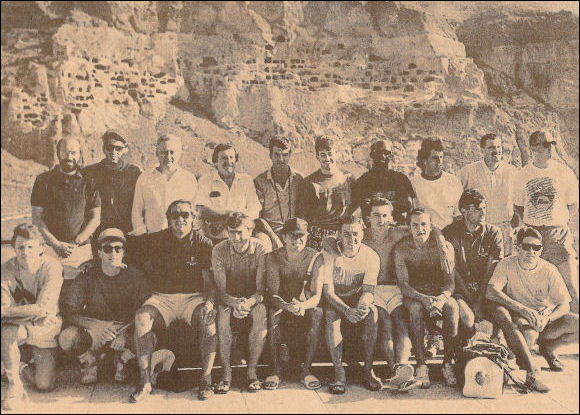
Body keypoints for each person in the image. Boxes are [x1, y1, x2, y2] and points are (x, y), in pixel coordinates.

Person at [128, 200, 216, 402]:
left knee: (209, 323)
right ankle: (145, 382)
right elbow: (130, 260)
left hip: (192, 297)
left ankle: (206, 380)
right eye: (175, 215)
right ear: (168, 219)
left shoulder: (203, 243)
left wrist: (209, 302)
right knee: (142, 319)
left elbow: (208, 282)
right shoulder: (155, 240)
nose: (180, 219)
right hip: (162, 297)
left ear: (193, 219)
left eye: (185, 215)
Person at [487, 227, 579, 392]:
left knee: (576, 323)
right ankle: (519, 367)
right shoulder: (507, 263)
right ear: (517, 247)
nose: (531, 251)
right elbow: (491, 291)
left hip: (543, 318)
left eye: (536, 248)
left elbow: (565, 304)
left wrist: (548, 318)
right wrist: (522, 309)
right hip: (520, 317)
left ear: (541, 250)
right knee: (529, 334)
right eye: (526, 246)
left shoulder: (549, 269)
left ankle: (547, 347)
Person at [58, 228, 150, 385]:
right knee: (67, 338)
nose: (112, 253)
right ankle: (90, 362)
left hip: (124, 330)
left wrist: (125, 332)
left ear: (123, 253)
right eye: (107, 248)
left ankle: (122, 360)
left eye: (117, 248)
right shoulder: (87, 275)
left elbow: (145, 310)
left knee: (149, 337)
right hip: (96, 331)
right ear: (99, 252)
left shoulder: (135, 276)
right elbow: (69, 312)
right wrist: (96, 326)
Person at [513, 130, 579, 313]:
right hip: (533, 237)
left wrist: (560, 222)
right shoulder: (523, 174)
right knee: (536, 291)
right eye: (542, 147)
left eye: (550, 146)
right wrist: (533, 224)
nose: (548, 151)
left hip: (557, 235)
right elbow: (518, 206)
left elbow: (573, 204)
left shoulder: (564, 172)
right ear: (533, 149)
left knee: (571, 287)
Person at [393, 208, 459, 388]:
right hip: (414, 294)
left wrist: (442, 298)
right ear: (409, 227)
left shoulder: (444, 248)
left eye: (424, 224)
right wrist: (423, 298)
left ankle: (447, 363)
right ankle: (421, 365)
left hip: (438, 292)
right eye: (415, 225)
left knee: (452, 307)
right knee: (415, 309)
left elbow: (450, 283)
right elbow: (403, 285)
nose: (420, 229)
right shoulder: (402, 249)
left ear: (431, 226)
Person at [1, 224, 63, 410]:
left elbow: (44, 308)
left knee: (44, 385)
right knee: (9, 333)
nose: (25, 252)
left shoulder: (52, 266)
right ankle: (14, 386)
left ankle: (15, 366)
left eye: (30, 247)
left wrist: (8, 314)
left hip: (46, 325)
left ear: (41, 248)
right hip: (21, 325)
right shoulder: (6, 269)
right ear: (14, 248)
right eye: (20, 247)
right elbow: (3, 307)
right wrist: (33, 313)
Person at [264, 218, 325, 391]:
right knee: (272, 314)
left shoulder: (315, 257)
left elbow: (316, 295)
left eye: (301, 236)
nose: (297, 240)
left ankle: (306, 370)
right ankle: (276, 370)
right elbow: (273, 293)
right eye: (293, 235)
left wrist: (302, 306)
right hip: (281, 304)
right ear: (284, 237)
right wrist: (287, 306)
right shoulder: (273, 257)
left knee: (318, 313)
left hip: (303, 304)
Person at [322, 216, 381, 394]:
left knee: (372, 313)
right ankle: (339, 372)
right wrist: (347, 310)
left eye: (355, 234)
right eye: (346, 234)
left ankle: (368, 369)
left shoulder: (371, 256)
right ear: (339, 236)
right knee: (331, 316)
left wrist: (362, 306)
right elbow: (328, 292)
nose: (351, 239)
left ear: (362, 234)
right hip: (336, 301)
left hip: (357, 299)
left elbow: (369, 290)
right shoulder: (329, 253)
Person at [212, 213, 268, 394]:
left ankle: (252, 371)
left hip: (252, 299)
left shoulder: (260, 249)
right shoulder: (219, 249)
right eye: (231, 232)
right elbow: (220, 290)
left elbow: (261, 289)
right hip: (229, 299)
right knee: (223, 315)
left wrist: (247, 303)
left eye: (239, 233)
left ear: (250, 230)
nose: (235, 238)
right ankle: (226, 373)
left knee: (260, 314)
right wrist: (235, 302)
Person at [31, 137, 101, 278]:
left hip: (80, 251)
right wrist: (55, 244)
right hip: (50, 250)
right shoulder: (43, 180)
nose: (69, 157)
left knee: (79, 295)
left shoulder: (89, 180)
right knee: (51, 292)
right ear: (58, 153)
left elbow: (96, 218)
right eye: (65, 152)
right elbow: (37, 217)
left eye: (73, 153)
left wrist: (77, 241)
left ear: (79, 154)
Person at [442, 189, 503, 344]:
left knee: (499, 313)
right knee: (467, 318)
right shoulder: (450, 232)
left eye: (484, 208)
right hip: (460, 290)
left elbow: (492, 270)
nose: (482, 213)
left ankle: (497, 343)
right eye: (476, 209)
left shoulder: (494, 233)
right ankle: (463, 347)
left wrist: (479, 300)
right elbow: (452, 270)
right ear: (463, 211)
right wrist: (469, 298)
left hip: (485, 289)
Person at [458, 134, 519, 256]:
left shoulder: (512, 172)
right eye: (492, 147)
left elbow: (519, 200)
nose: (497, 151)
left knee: (503, 265)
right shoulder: (468, 171)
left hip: (504, 231)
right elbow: (457, 199)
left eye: (499, 147)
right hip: (479, 230)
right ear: (482, 150)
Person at [197, 143, 264, 246]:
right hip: (214, 237)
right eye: (224, 158)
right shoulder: (205, 181)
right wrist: (229, 214)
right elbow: (202, 210)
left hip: (242, 236)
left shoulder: (246, 180)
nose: (229, 162)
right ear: (215, 162)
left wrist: (236, 220)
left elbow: (254, 208)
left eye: (231, 157)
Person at [131, 134, 197, 236]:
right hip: (153, 239)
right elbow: (136, 212)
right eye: (164, 152)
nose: (168, 156)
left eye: (172, 152)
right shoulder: (144, 178)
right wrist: (143, 236)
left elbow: (195, 212)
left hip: (181, 239)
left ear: (179, 153)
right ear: (157, 153)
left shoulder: (189, 179)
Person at [297, 135, 355, 251]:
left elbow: (356, 209)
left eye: (330, 153)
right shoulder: (309, 182)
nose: (327, 158)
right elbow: (302, 216)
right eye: (323, 155)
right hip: (317, 236)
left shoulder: (348, 178)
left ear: (337, 153)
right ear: (317, 157)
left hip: (343, 234)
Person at [84, 131, 142, 235]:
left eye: (118, 148)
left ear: (125, 149)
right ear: (103, 149)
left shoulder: (134, 172)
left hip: (126, 229)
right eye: (109, 147)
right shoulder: (90, 172)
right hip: (98, 230)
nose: (113, 151)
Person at [254, 137, 305, 250]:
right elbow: (258, 217)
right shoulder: (259, 181)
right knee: (262, 246)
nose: (281, 159)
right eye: (277, 154)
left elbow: (303, 211)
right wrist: (274, 238)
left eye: (285, 155)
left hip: (293, 229)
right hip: (268, 231)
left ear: (290, 155)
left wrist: (296, 233)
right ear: (270, 155)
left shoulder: (299, 179)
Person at [351, 139, 416, 225]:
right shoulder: (362, 182)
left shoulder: (401, 179)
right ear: (372, 155)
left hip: (398, 229)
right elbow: (357, 211)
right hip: (372, 231)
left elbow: (409, 207)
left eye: (386, 153)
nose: (382, 156)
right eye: (378, 152)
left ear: (391, 156)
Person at [411, 138, 463, 230]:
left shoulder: (453, 181)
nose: (439, 162)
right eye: (435, 158)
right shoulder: (414, 183)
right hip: (426, 234)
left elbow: (459, 214)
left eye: (441, 157)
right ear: (424, 160)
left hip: (450, 233)